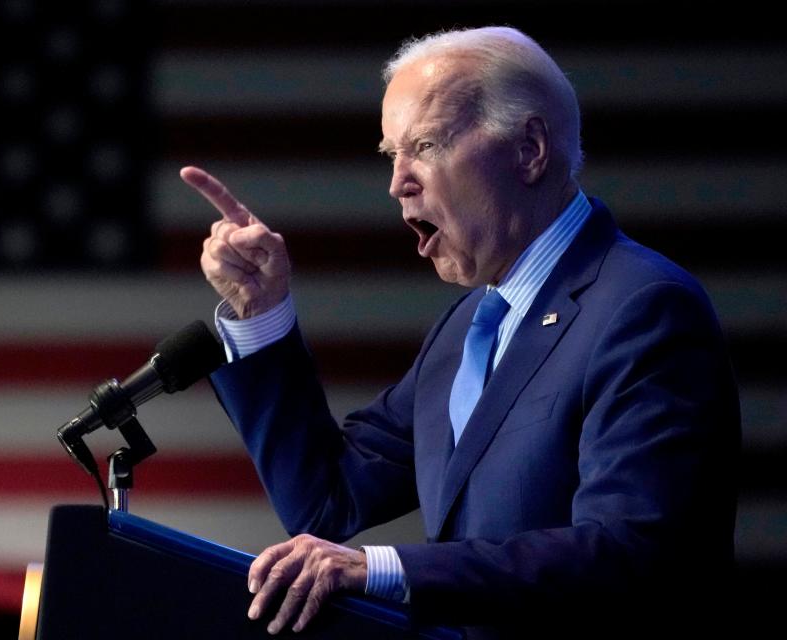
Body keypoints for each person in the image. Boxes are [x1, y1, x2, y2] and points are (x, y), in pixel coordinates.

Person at [180, 26, 740, 637]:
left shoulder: (643, 308)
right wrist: (262, 311)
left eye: (425, 144)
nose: (398, 183)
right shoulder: (468, 327)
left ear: (529, 150)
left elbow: (631, 553)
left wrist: (386, 569)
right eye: (390, 155)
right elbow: (327, 498)